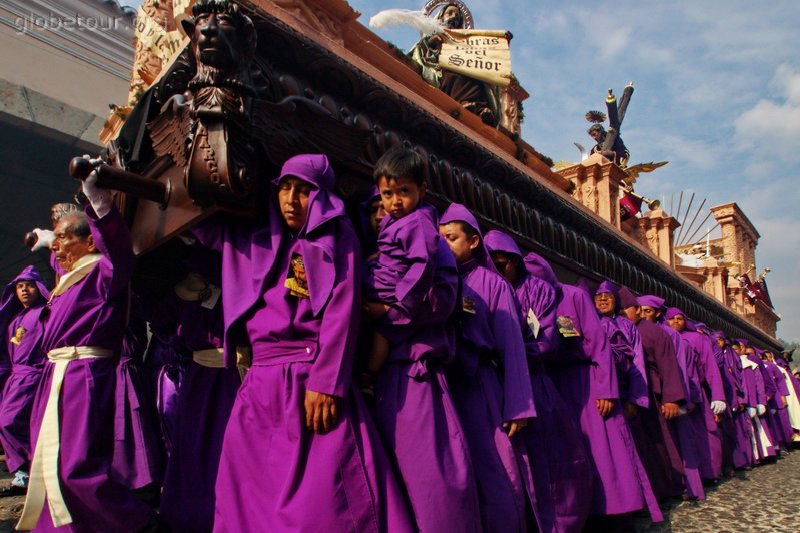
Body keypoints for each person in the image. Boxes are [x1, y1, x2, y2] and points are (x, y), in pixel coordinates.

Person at [193, 154, 413, 531]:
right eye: (285, 189)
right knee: (246, 496)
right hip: (259, 385)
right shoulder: (259, 238)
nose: (291, 200)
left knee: (325, 504)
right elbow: (197, 223)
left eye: (304, 191)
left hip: (308, 382)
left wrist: (327, 383)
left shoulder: (335, 237)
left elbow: (342, 313)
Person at [17, 169, 157, 532]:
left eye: (64, 239)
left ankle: (138, 525)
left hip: (84, 375)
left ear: (91, 242)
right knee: (46, 460)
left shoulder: (104, 272)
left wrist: (100, 202)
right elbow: (62, 258)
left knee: (77, 467)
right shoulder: (70, 278)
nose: (57, 247)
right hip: (54, 378)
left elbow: (117, 248)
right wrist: (52, 237)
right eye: (56, 241)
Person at [359, 149, 480, 532]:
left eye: (403, 193)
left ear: (423, 191)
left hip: (416, 373)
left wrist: (391, 308)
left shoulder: (421, 229)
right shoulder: (386, 234)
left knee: (428, 472)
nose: (392, 204)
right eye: (385, 197)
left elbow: (431, 293)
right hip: (391, 371)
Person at [528, 254, 653, 522]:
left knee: (604, 450)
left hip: (588, 381)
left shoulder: (573, 296)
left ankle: (616, 511)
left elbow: (599, 344)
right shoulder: (529, 297)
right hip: (557, 382)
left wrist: (607, 390)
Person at [485, 230, 593, 533]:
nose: (500, 269)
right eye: (493, 263)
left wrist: (510, 352)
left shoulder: (539, 291)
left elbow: (547, 341)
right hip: (495, 386)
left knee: (550, 458)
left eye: (504, 263)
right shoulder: (485, 286)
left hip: (534, 384)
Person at [439, 204, 535, 533]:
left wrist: (517, 406)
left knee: (495, 468)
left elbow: (512, 348)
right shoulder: (440, 279)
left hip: (481, 387)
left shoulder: (493, 285)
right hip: (446, 385)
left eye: (451, 238)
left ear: (474, 242)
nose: (444, 244)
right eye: (440, 238)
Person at [618, 287, 686, 502]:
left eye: (625, 309)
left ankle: (663, 491)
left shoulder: (655, 332)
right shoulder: (617, 327)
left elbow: (668, 366)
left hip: (652, 396)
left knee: (656, 443)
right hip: (625, 393)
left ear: (637, 310)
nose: (622, 313)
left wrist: (671, 399)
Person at [0, 266, 49, 496]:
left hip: (34, 375)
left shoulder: (45, 314)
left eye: (29, 285)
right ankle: (24, 474)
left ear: (38, 288)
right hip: (16, 378)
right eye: (20, 286)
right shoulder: (15, 318)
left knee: (7, 421)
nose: (24, 290)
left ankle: (29, 470)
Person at [409, 2, 500, 125]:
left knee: (478, 79)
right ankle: (464, 103)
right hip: (443, 68)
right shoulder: (433, 35)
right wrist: (431, 42)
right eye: (450, 13)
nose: (454, 17)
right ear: (441, 16)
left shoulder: (462, 41)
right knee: (454, 75)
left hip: (463, 65)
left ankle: (480, 109)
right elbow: (421, 50)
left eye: (457, 16)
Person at [665, 308, 726, 483]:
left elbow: (710, 367)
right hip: (672, 391)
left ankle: (709, 472)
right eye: (672, 319)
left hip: (695, 390)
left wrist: (718, 396)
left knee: (704, 433)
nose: (676, 322)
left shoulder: (697, 338)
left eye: (679, 318)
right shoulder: (664, 334)